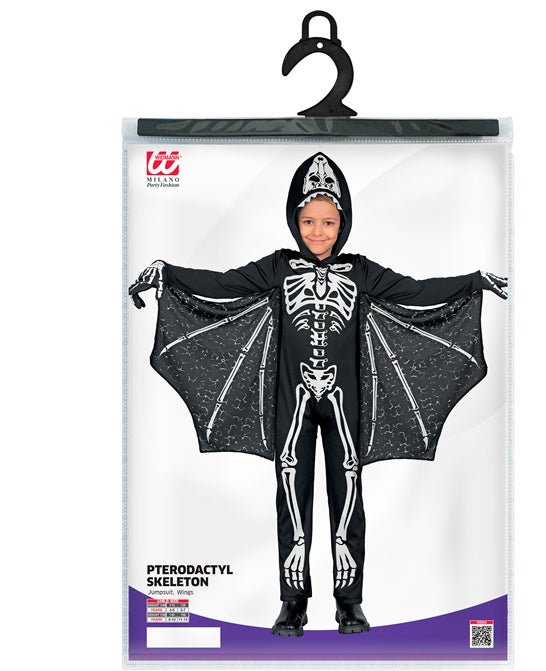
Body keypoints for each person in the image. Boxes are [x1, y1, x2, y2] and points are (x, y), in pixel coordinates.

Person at [129, 151, 507, 636]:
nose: (318, 232)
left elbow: (414, 292)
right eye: (308, 221)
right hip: (293, 399)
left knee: (349, 487)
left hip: (347, 401)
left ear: (342, 223)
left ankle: (350, 602)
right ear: (294, 220)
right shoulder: (278, 267)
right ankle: (293, 601)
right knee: (291, 491)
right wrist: (168, 271)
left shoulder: (361, 271)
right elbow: (223, 285)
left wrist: (473, 281)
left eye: (328, 222)